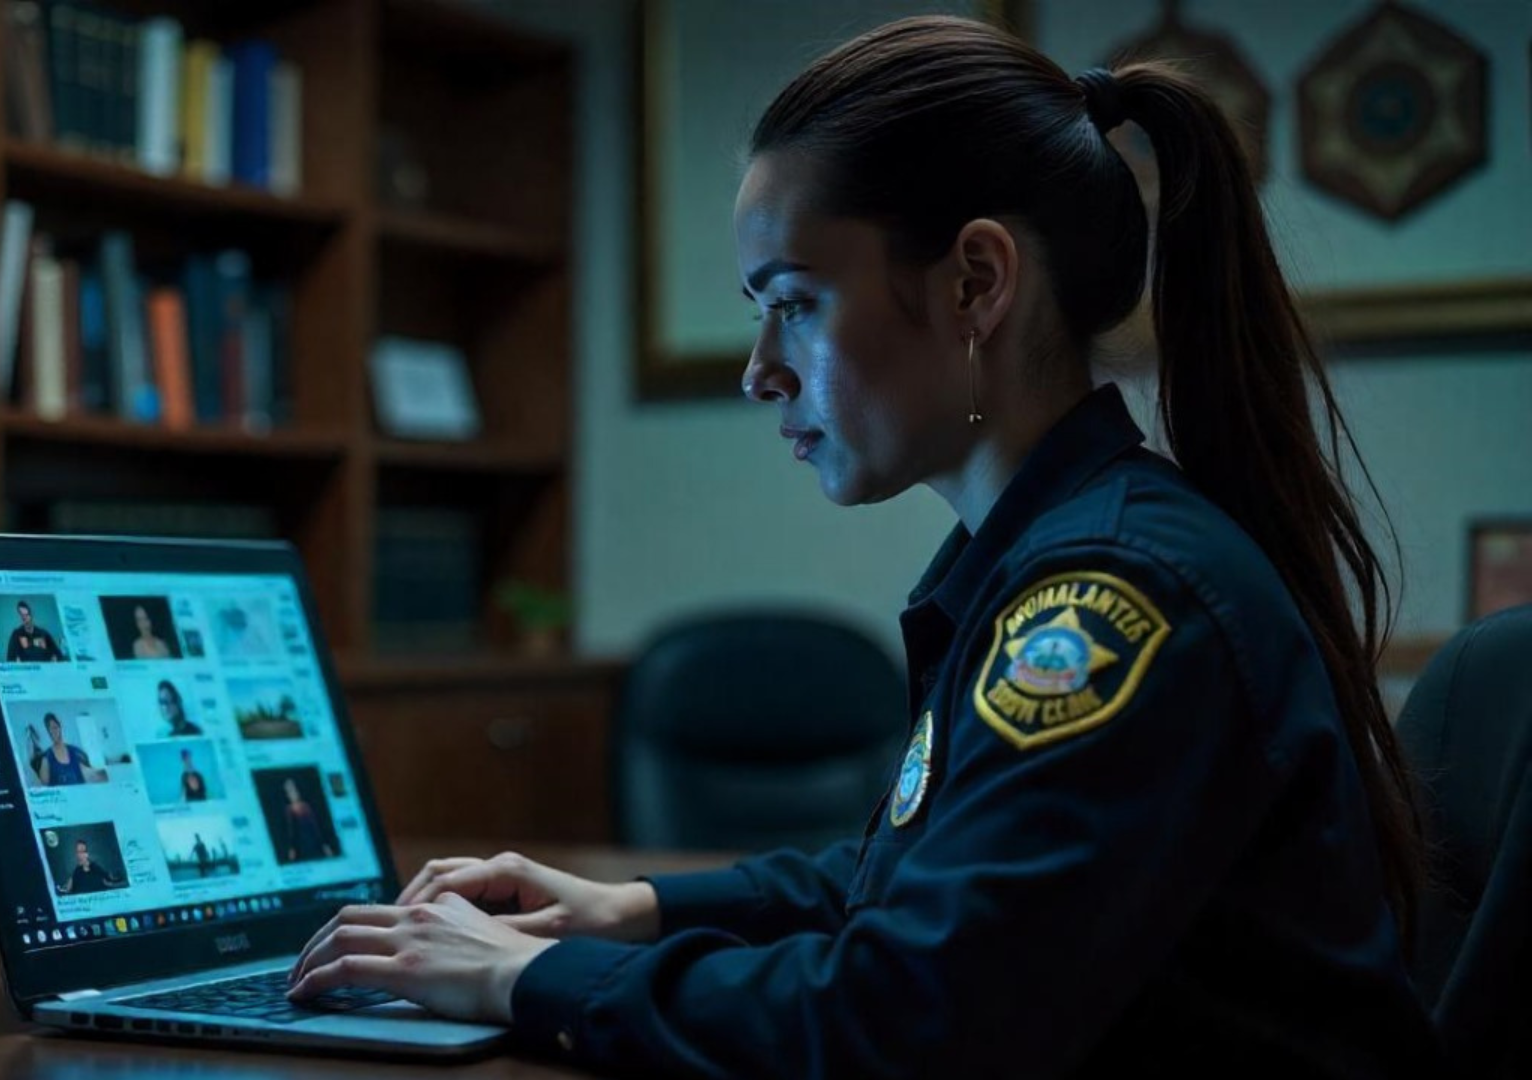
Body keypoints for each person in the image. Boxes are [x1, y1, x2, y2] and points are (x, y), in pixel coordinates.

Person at [284, 15, 1443, 1076]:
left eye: (792, 301)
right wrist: (623, 908)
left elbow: (901, 1021)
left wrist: (520, 974)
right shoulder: (1052, 555)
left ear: (976, 283)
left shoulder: (1107, 602)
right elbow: (910, 882)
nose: (760, 370)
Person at [28, 713, 105, 786]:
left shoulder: (77, 753)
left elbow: (91, 774)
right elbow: (42, 787)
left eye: (54, 728)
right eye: (49, 730)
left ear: (60, 727)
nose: (52, 732)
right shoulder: (46, 759)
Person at [278, 777, 334, 863]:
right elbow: (291, 831)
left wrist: (324, 844)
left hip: (313, 842)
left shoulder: (306, 806)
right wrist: (292, 848)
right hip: (301, 846)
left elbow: (316, 826)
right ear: (286, 794)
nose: (293, 794)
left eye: (294, 790)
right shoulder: (288, 810)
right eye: (289, 791)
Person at [57, 839, 124, 895]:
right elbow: (70, 886)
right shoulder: (77, 870)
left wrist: (111, 881)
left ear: (86, 853)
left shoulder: (94, 867)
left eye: (82, 852)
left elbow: (106, 878)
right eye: (78, 852)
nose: (80, 854)